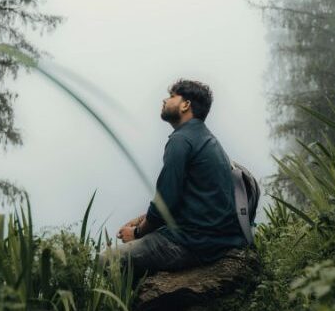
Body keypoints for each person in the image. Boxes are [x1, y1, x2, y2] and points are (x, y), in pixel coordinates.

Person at [102, 79, 247, 276]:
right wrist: (141, 219)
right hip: (218, 239)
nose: (164, 100)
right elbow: (183, 199)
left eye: (171, 96)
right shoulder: (206, 139)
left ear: (185, 105)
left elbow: (165, 203)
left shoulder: (181, 140)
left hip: (194, 244)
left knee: (105, 260)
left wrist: (136, 233)